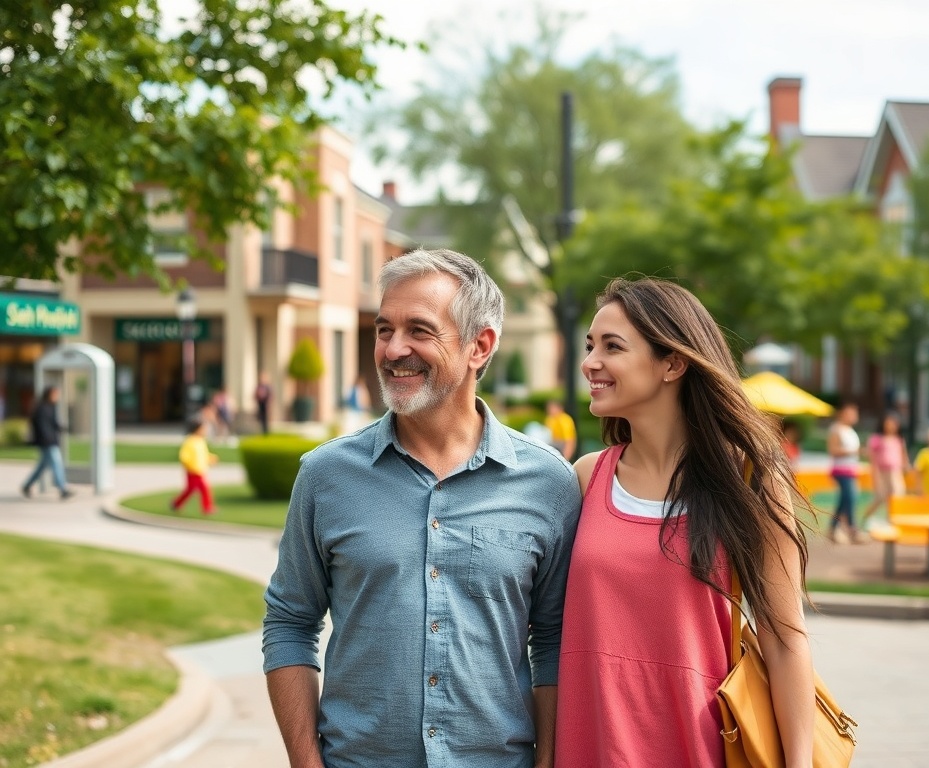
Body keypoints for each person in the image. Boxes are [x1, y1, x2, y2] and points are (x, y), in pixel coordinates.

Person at [262, 248, 582, 768]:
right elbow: (290, 622)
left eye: (419, 330)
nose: (393, 349)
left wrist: (547, 760)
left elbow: (554, 638)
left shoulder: (548, 483)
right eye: (384, 330)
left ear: (480, 346)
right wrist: (306, 762)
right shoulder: (325, 475)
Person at [554, 278, 814, 767]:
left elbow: (784, 640)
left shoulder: (750, 480)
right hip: (589, 748)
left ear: (672, 363)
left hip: (699, 749)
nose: (590, 362)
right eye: (590, 346)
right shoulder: (586, 478)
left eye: (612, 346)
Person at [21, 385, 73, 500]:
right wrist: (48, 438)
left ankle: (27, 485)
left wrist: (61, 428)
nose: (57, 396)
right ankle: (63, 489)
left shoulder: (51, 407)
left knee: (42, 466)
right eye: (55, 394)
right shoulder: (41, 408)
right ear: (49, 395)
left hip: (50, 440)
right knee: (57, 464)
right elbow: (41, 426)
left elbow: (53, 423)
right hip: (47, 442)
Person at [860, 412, 911, 529]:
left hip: (895, 472)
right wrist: (876, 475)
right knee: (880, 497)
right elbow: (872, 458)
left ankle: (892, 521)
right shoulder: (877, 439)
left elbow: (904, 456)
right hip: (882, 472)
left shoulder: (899, 439)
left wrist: (906, 466)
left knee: (897, 496)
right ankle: (866, 518)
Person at [827, 400, 862, 544]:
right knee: (849, 498)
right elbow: (833, 450)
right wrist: (851, 451)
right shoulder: (837, 429)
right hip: (841, 470)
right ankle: (851, 528)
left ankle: (834, 528)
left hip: (850, 470)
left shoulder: (850, 430)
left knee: (845, 499)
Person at [170, 416, 218, 515]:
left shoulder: (201, 441)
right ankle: (207, 508)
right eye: (203, 429)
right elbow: (184, 456)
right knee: (203, 489)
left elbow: (204, 454)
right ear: (197, 429)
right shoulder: (190, 441)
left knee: (191, 490)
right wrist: (188, 464)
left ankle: (176, 503)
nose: (205, 431)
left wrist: (210, 458)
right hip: (192, 471)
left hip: (200, 470)